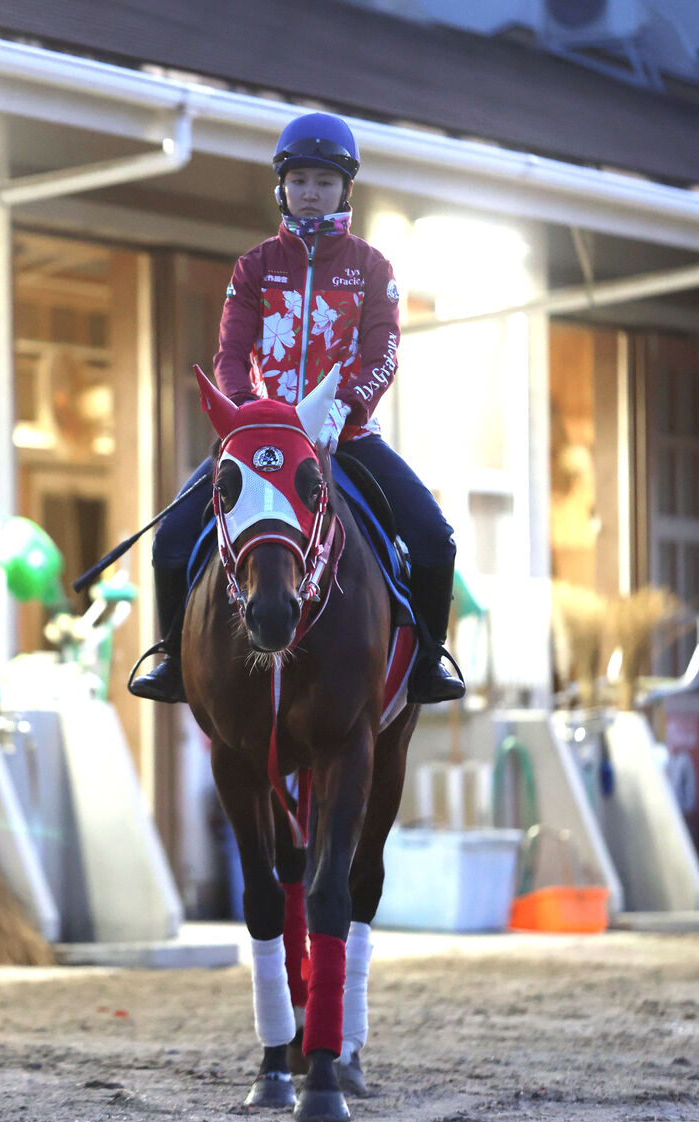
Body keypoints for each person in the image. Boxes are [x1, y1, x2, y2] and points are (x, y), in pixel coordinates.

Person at [130, 111, 464, 705]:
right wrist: (243, 414)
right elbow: (230, 352)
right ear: (282, 186)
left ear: (346, 189)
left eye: (324, 182)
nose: (311, 194)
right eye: (301, 180)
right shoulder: (254, 266)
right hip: (265, 439)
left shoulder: (373, 267)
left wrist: (346, 408)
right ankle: (171, 659)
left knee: (435, 537)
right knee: (171, 539)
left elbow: (382, 349)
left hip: (347, 436)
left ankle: (428, 666)